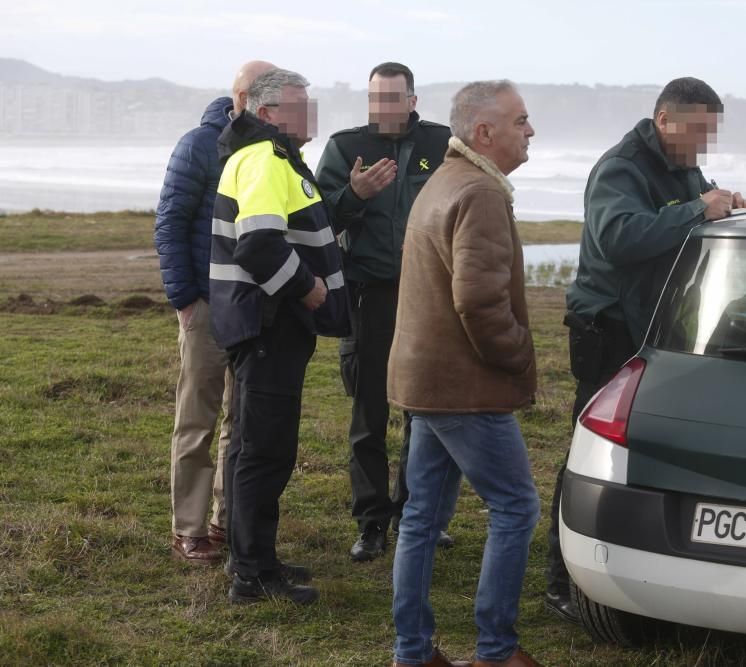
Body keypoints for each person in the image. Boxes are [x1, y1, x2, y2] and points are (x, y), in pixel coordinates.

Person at [544, 76, 746, 623]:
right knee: (591, 452)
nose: (702, 146)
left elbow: (698, 205)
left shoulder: (682, 166)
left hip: (657, 329)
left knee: (650, 448)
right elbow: (620, 237)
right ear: (664, 120)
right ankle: (560, 579)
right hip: (609, 326)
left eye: (710, 134)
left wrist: (726, 204)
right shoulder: (622, 168)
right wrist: (696, 211)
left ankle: (643, 561)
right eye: (696, 131)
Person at [387, 80, 543, 667]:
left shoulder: (446, 179)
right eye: (521, 120)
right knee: (516, 507)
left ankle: (412, 651)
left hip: (428, 379)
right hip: (463, 385)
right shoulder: (478, 191)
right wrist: (518, 355)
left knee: (422, 517)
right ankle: (496, 651)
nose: (531, 130)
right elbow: (478, 301)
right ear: (484, 132)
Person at [210, 67, 350, 604]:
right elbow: (259, 244)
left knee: (252, 446)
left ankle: (253, 557)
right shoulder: (264, 160)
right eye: (300, 105)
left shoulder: (271, 158)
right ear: (266, 113)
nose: (310, 114)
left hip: (263, 325)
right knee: (265, 451)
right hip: (268, 325)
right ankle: (253, 575)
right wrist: (309, 289)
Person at [316, 62, 454, 562]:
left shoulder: (443, 144)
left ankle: (418, 517)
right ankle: (371, 521)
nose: (383, 109)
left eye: (393, 99)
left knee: (425, 410)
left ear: (413, 101)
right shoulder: (345, 146)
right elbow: (317, 218)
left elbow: (465, 204)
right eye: (375, 99)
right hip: (370, 294)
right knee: (369, 413)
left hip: (428, 296)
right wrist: (355, 194)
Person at [154, 59, 275, 566]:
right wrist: (184, 298)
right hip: (205, 303)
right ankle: (189, 528)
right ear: (245, 97)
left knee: (240, 419)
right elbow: (170, 222)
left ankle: (226, 521)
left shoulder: (271, 150)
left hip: (250, 305)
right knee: (197, 419)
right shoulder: (198, 144)